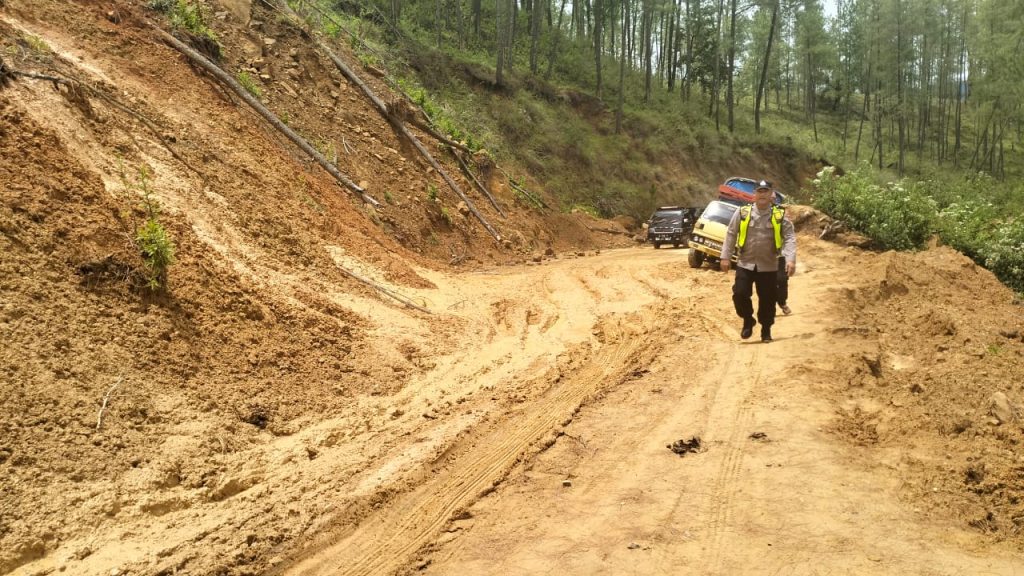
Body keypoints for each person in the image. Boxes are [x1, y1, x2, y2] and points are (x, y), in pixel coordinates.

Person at [720, 180, 796, 342]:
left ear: (771, 194)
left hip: (769, 266)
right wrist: (725, 256)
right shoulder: (743, 213)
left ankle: (766, 330)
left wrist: (790, 260)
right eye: (759, 191)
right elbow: (731, 233)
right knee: (739, 294)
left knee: (768, 299)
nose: (762, 194)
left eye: (765, 191)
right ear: (754, 194)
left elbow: (789, 237)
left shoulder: (779, 215)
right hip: (745, 263)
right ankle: (748, 319)